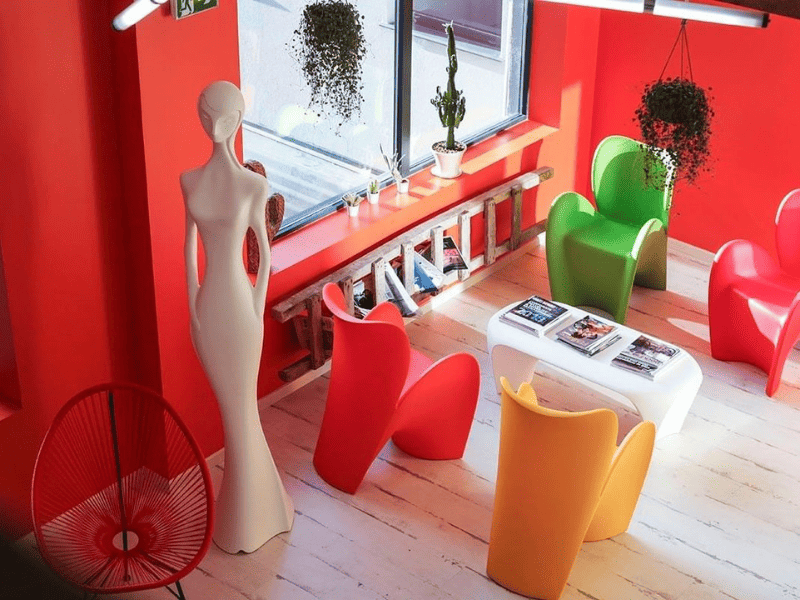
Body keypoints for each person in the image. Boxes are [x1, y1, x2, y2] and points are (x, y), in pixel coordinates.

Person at [180, 81, 293, 554]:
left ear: (238, 120)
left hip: (241, 308)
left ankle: (254, 513)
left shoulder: (253, 185)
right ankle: (258, 509)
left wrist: (257, 310)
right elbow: (188, 251)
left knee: (243, 408)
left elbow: (264, 257)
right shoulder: (189, 181)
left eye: (224, 118)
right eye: (207, 117)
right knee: (234, 411)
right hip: (209, 309)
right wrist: (192, 306)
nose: (215, 127)